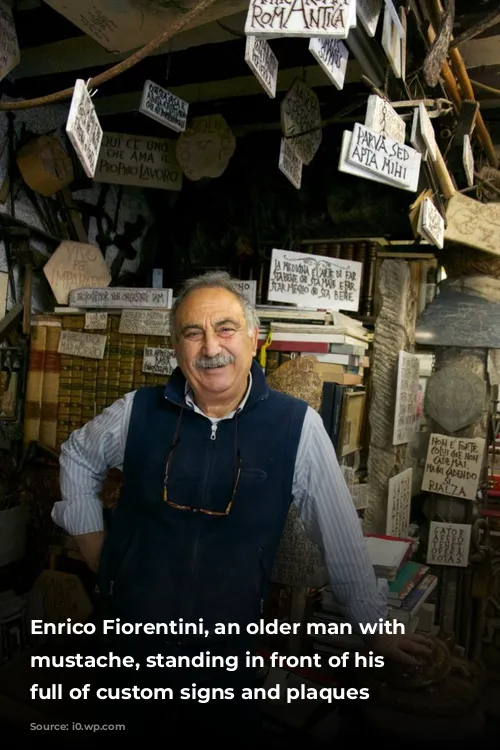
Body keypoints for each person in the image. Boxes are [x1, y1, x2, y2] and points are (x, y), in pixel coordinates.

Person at [53, 271, 432, 738]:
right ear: (177, 346)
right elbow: (76, 455)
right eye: (193, 333)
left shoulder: (297, 426)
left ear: (253, 338)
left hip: (223, 659)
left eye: (225, 329)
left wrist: (375, 626)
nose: (211, 347)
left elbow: (339, 538)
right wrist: (92, 541)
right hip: (127, 645)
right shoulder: (137, 410)